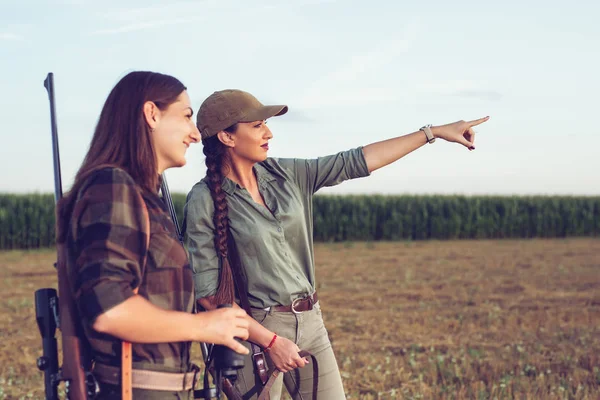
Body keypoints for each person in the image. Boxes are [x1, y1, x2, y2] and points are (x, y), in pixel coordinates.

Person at [183, 89, 489, 399]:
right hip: (253, 334)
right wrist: (271, 342)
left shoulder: (286, 173)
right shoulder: (203, 200)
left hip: (311, 320)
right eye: (258, 125)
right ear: (227, 137)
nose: (268, 132)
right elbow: (210, 296)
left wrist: (432, 133)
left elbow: (355, 161)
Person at [56, 72, 250, 399]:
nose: (194, 133)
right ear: (151, 114)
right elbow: (109, 309)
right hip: (135, 389)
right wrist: (204, 326)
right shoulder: (114, 186)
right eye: (187, 116)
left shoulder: (146, 200)